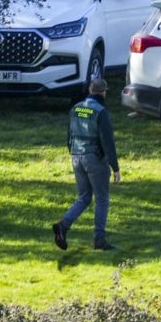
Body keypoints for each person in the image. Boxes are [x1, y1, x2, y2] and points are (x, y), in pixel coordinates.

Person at [52, 77, 120, 251]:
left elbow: (69, 135)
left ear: (90, 90)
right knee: (102, 199)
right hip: (95, 159)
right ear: (103, 91)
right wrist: (115, 167)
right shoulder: (101, 111)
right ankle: (99, 240)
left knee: (84, 197)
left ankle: (63, 225)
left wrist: (73, 152)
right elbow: (108, 142)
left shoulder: (76, 108)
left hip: (76, 156)